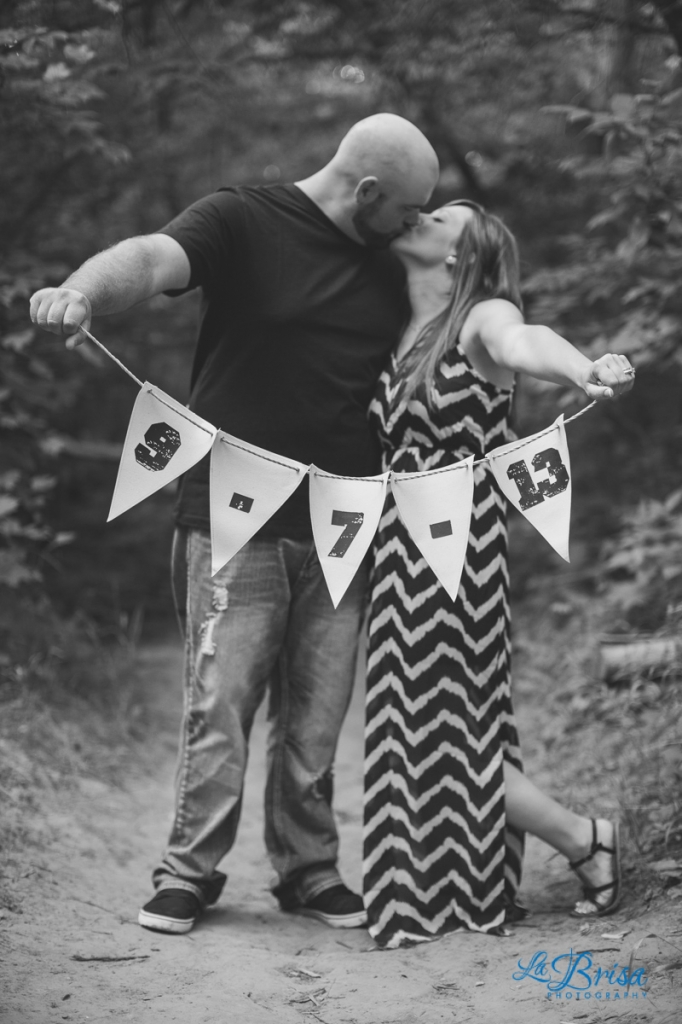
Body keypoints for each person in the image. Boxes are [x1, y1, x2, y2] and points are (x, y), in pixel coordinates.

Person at [29, 113, 440, 935]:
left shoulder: (395, 260)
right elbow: (150, 257)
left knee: (317, 718)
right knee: (220, 704)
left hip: (345, 523)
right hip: (232, 517)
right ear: (366, 191)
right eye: (406, 208)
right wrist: (82, 291)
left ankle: (309, 869)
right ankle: (188, 872)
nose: (416, 222)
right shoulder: (243, 219)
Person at [363, 200, 635, 948]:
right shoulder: (411, 330)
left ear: (463, 254)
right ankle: (441, 885)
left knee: (448, 729)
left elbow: (525, 341)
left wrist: (583, 369)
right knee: (412, 726)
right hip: (399, 547)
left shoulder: (484, 316)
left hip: (459, 550)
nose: (419, 216)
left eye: (439, 218)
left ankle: (584, 838)